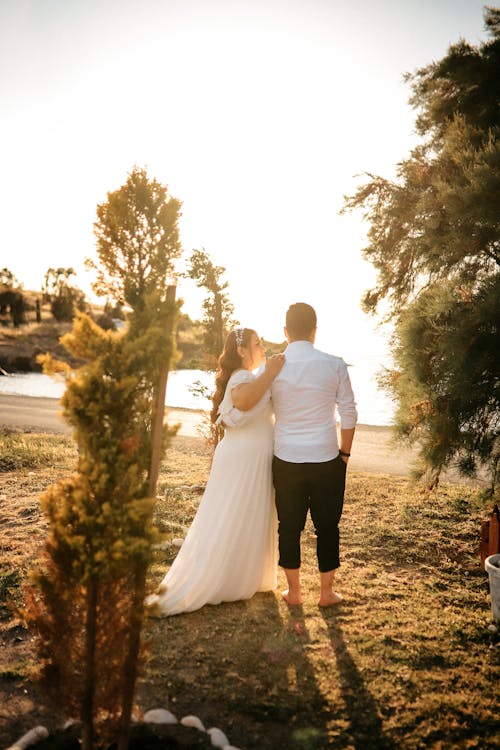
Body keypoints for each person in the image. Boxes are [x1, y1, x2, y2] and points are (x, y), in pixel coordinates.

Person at [145, 327, 285, 616]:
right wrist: (271, 372)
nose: (262, 348)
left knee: (247, 513)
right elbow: (244, 402)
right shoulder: (243, 377)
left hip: (249, 456)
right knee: (232, 513)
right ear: (242, 351)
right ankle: (224, 578)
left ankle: (245, 574)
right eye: (257, 344)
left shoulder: (250, 376)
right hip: (243, 458)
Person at [271, 303, 357, 607]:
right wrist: (344, 454)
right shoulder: (334, 364)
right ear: (314, 332)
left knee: (289, 526)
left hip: (285, 458)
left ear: (285, 332)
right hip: (325, 459)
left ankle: (293, 593)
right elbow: (348, 413)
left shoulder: (274, 367)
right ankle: (325, 593)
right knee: (327, 526)